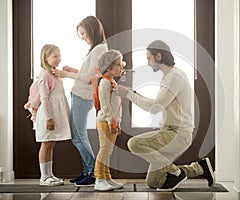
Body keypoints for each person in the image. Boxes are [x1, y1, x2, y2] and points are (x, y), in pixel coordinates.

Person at [115, 40, 215, 192]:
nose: (148, 63)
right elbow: (157, 103)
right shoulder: (169, 76)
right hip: (170, 133)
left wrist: (128, 94)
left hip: (177, 134)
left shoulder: (174, 77)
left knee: (134, 143)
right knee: (154, 182)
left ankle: (176, 172)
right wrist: (133, 93)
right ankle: (198, 169)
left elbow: (155, 108)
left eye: (149, 58)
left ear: (159, 56)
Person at [52, 16, 108, 186]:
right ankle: (87, 171)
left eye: (83, 33)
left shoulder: (99, 49)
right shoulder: (97, 49)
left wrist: (65, 74)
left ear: (92, 30)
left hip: (83, 97)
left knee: (78, 137)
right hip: (80, 96)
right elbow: (90, 73)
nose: (83, 37)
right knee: (78, 136)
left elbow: (90, 77)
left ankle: (92, 172)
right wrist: (73, 70)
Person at [36, 44, 71, 186]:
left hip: (55, 115)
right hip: (48, 115)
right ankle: (44, 176)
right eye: (55, 56)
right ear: (46, 57)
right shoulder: (44, 74)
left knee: (51, 144)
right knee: (46, 144)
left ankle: (50, 174)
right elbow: (44, 98)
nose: (59, 59)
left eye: (59, 56)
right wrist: (49, 118)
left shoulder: (54, 73)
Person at [93, 50, 125, 191]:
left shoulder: (111, 82)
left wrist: (117, 123)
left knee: (108, 151)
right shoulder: (105, 83)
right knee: (105, 150)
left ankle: (107, 177)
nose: (121, 67)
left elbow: (115, 105)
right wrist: (111, 122)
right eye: (118, 64)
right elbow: (105, 105)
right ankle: (99, 179)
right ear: (108, 67)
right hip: (105, 121)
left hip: (111, 122)